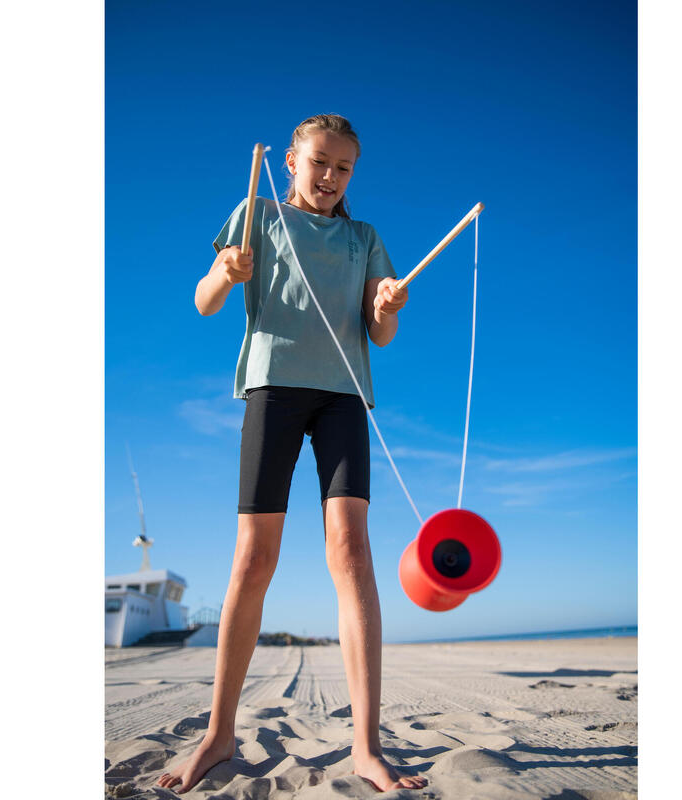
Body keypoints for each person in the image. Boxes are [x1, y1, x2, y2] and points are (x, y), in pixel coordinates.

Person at [157, 114, 427, 794]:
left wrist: (389, 303)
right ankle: (218, 735)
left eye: (344, 168)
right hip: (273, 390)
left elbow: (381, 334)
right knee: (254, 558)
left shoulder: (365, 238)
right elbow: (204, 303)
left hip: (342, 398)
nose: (331, 177)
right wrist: (225, 270)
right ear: (290, 161)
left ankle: (366, 747)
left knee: (352, 550)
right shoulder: (258, 213)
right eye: (320, 163)